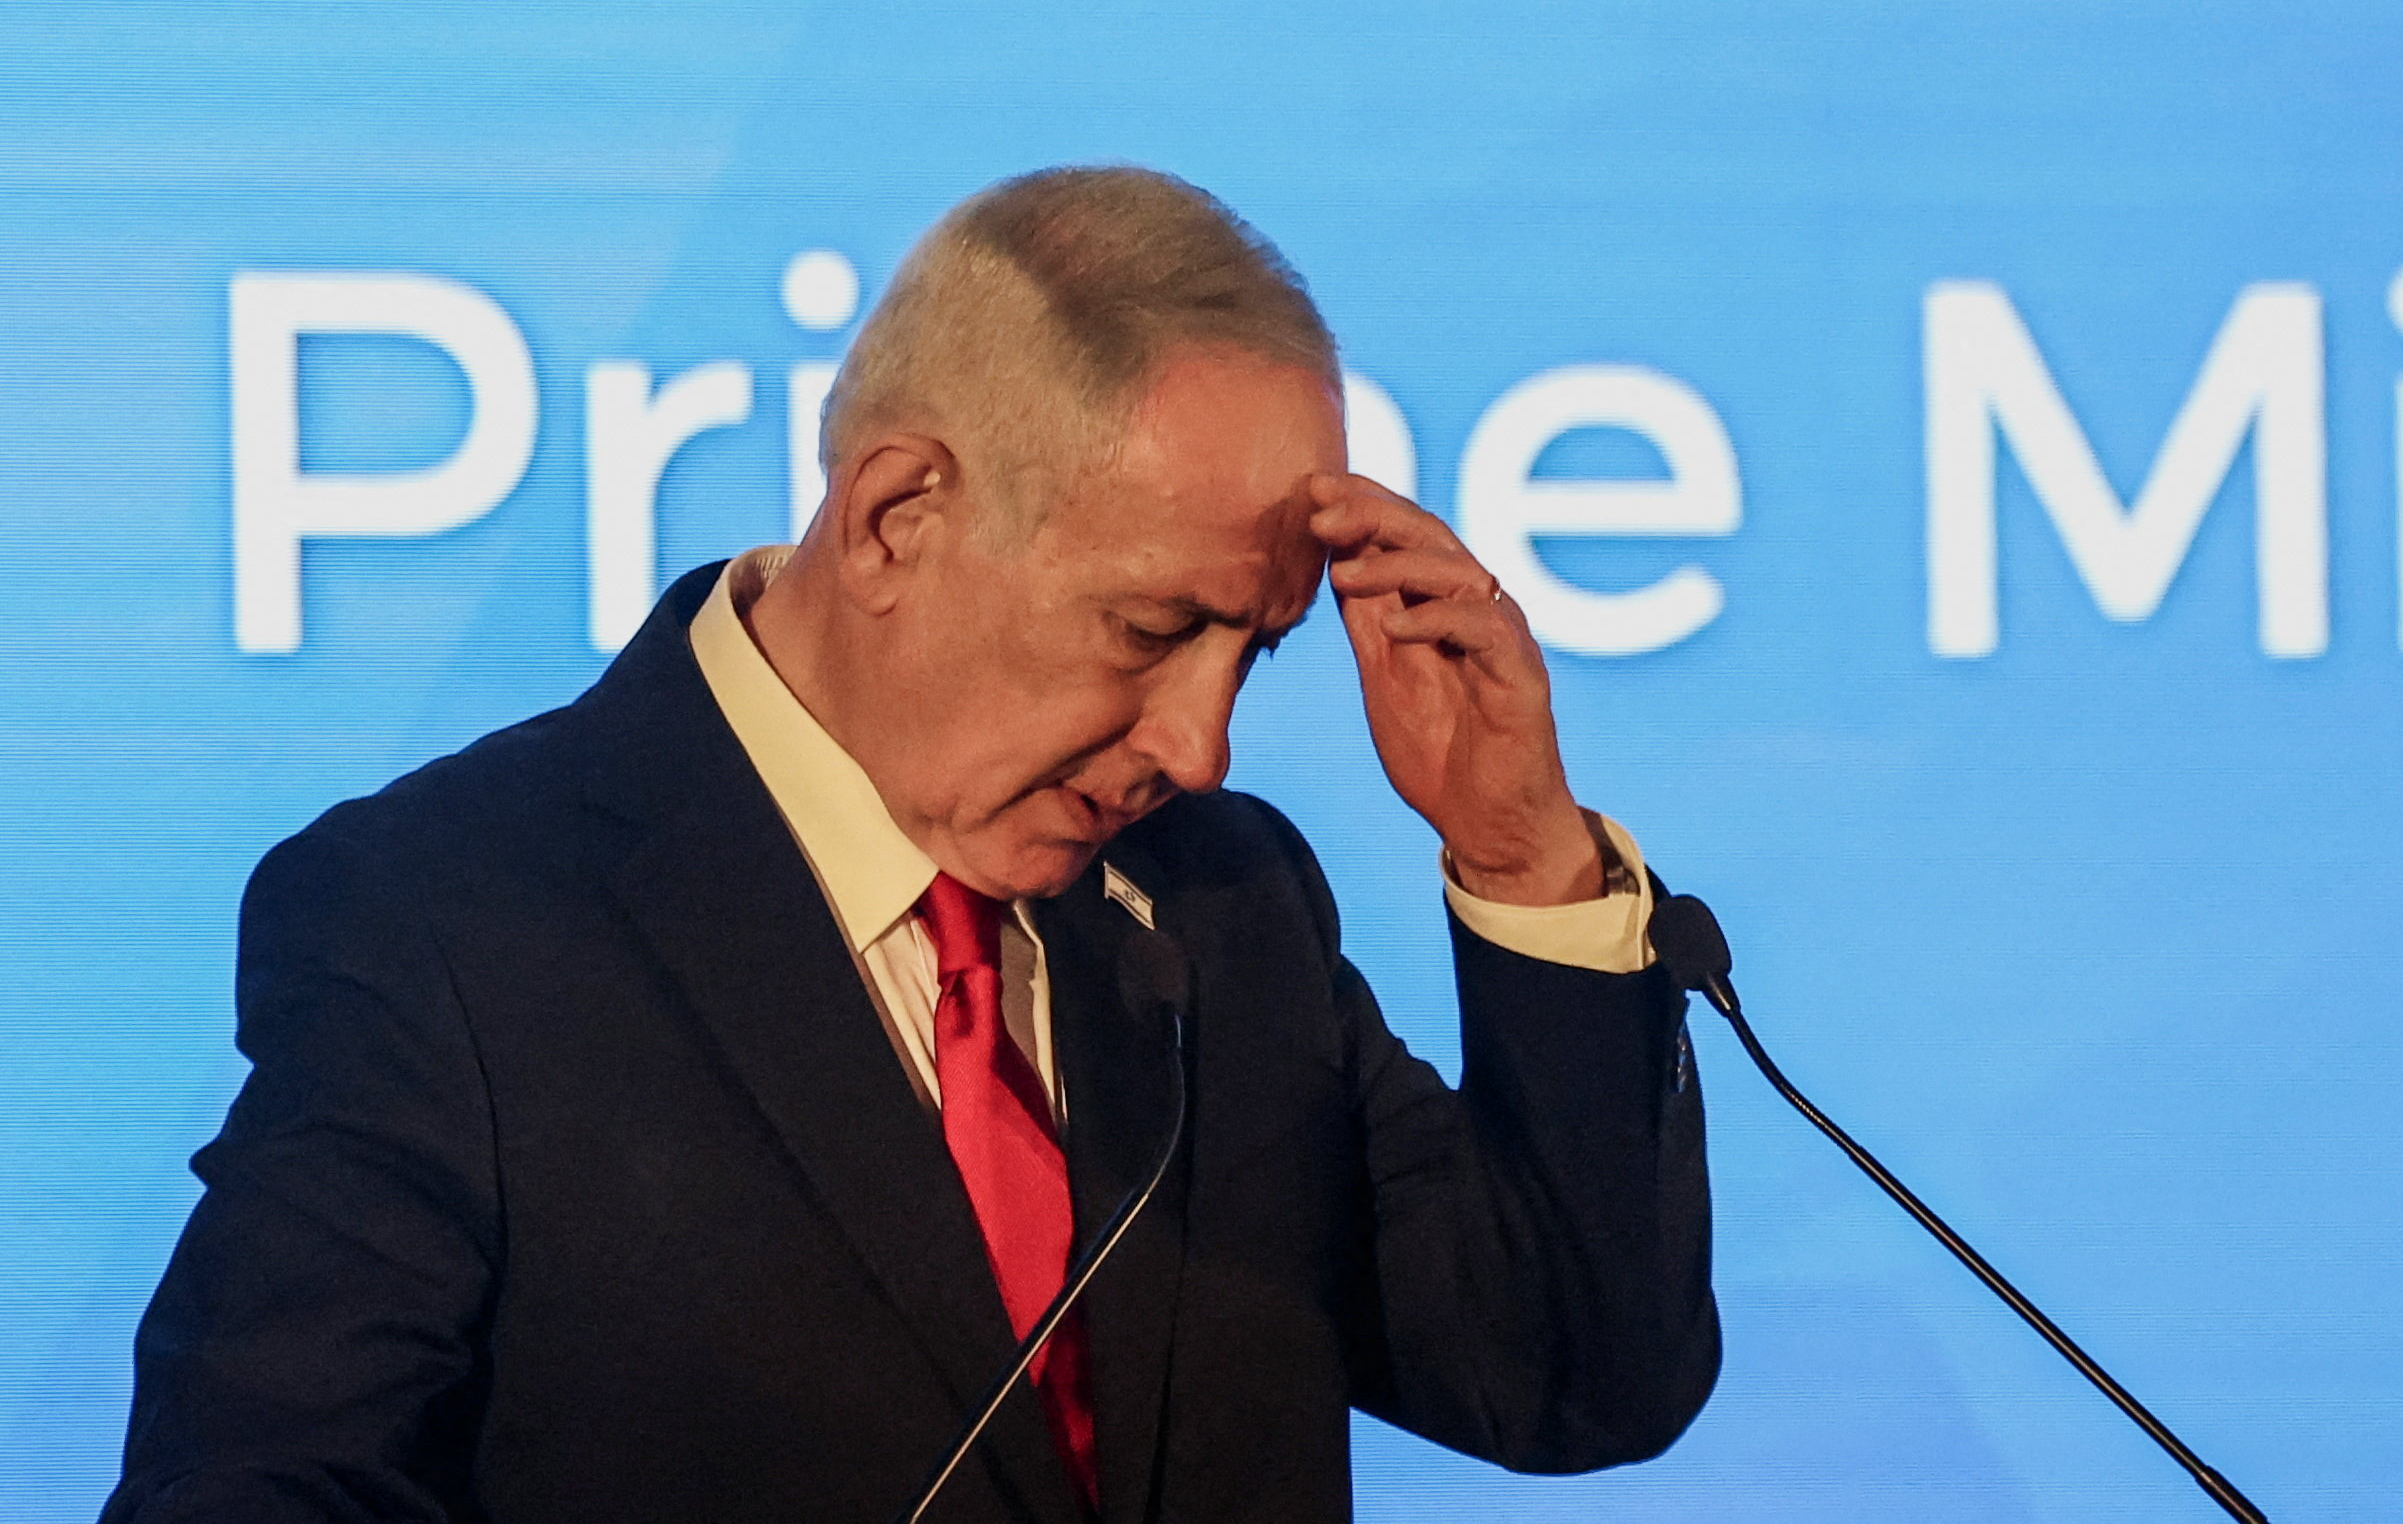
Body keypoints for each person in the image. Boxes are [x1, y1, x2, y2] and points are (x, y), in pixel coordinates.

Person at [105, 167, 1717, 1524]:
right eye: (1151, 628)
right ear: (897, 516)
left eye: (1253, 651)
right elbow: (254, 1485)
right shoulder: (454, 920)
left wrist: (1522, 862)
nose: (1200, 745)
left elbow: (1573, 1374)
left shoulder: (1228, 907)